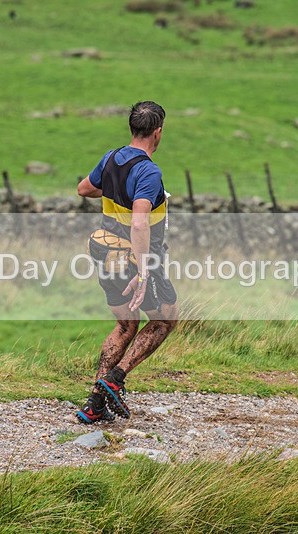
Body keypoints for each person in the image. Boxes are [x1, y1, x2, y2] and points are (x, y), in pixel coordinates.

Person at [75, 101, 179, 424]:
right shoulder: (149, 171)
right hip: (137, 257)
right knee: (165, 320)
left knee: (125, 324)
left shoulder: (111, 158)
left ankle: (95, 403)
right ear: (158, 132)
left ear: (132, 128)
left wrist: (114, 188)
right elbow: (139, 222)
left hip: (105, 251)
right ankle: (116, 378)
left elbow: (84, 189)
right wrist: (144, 270)